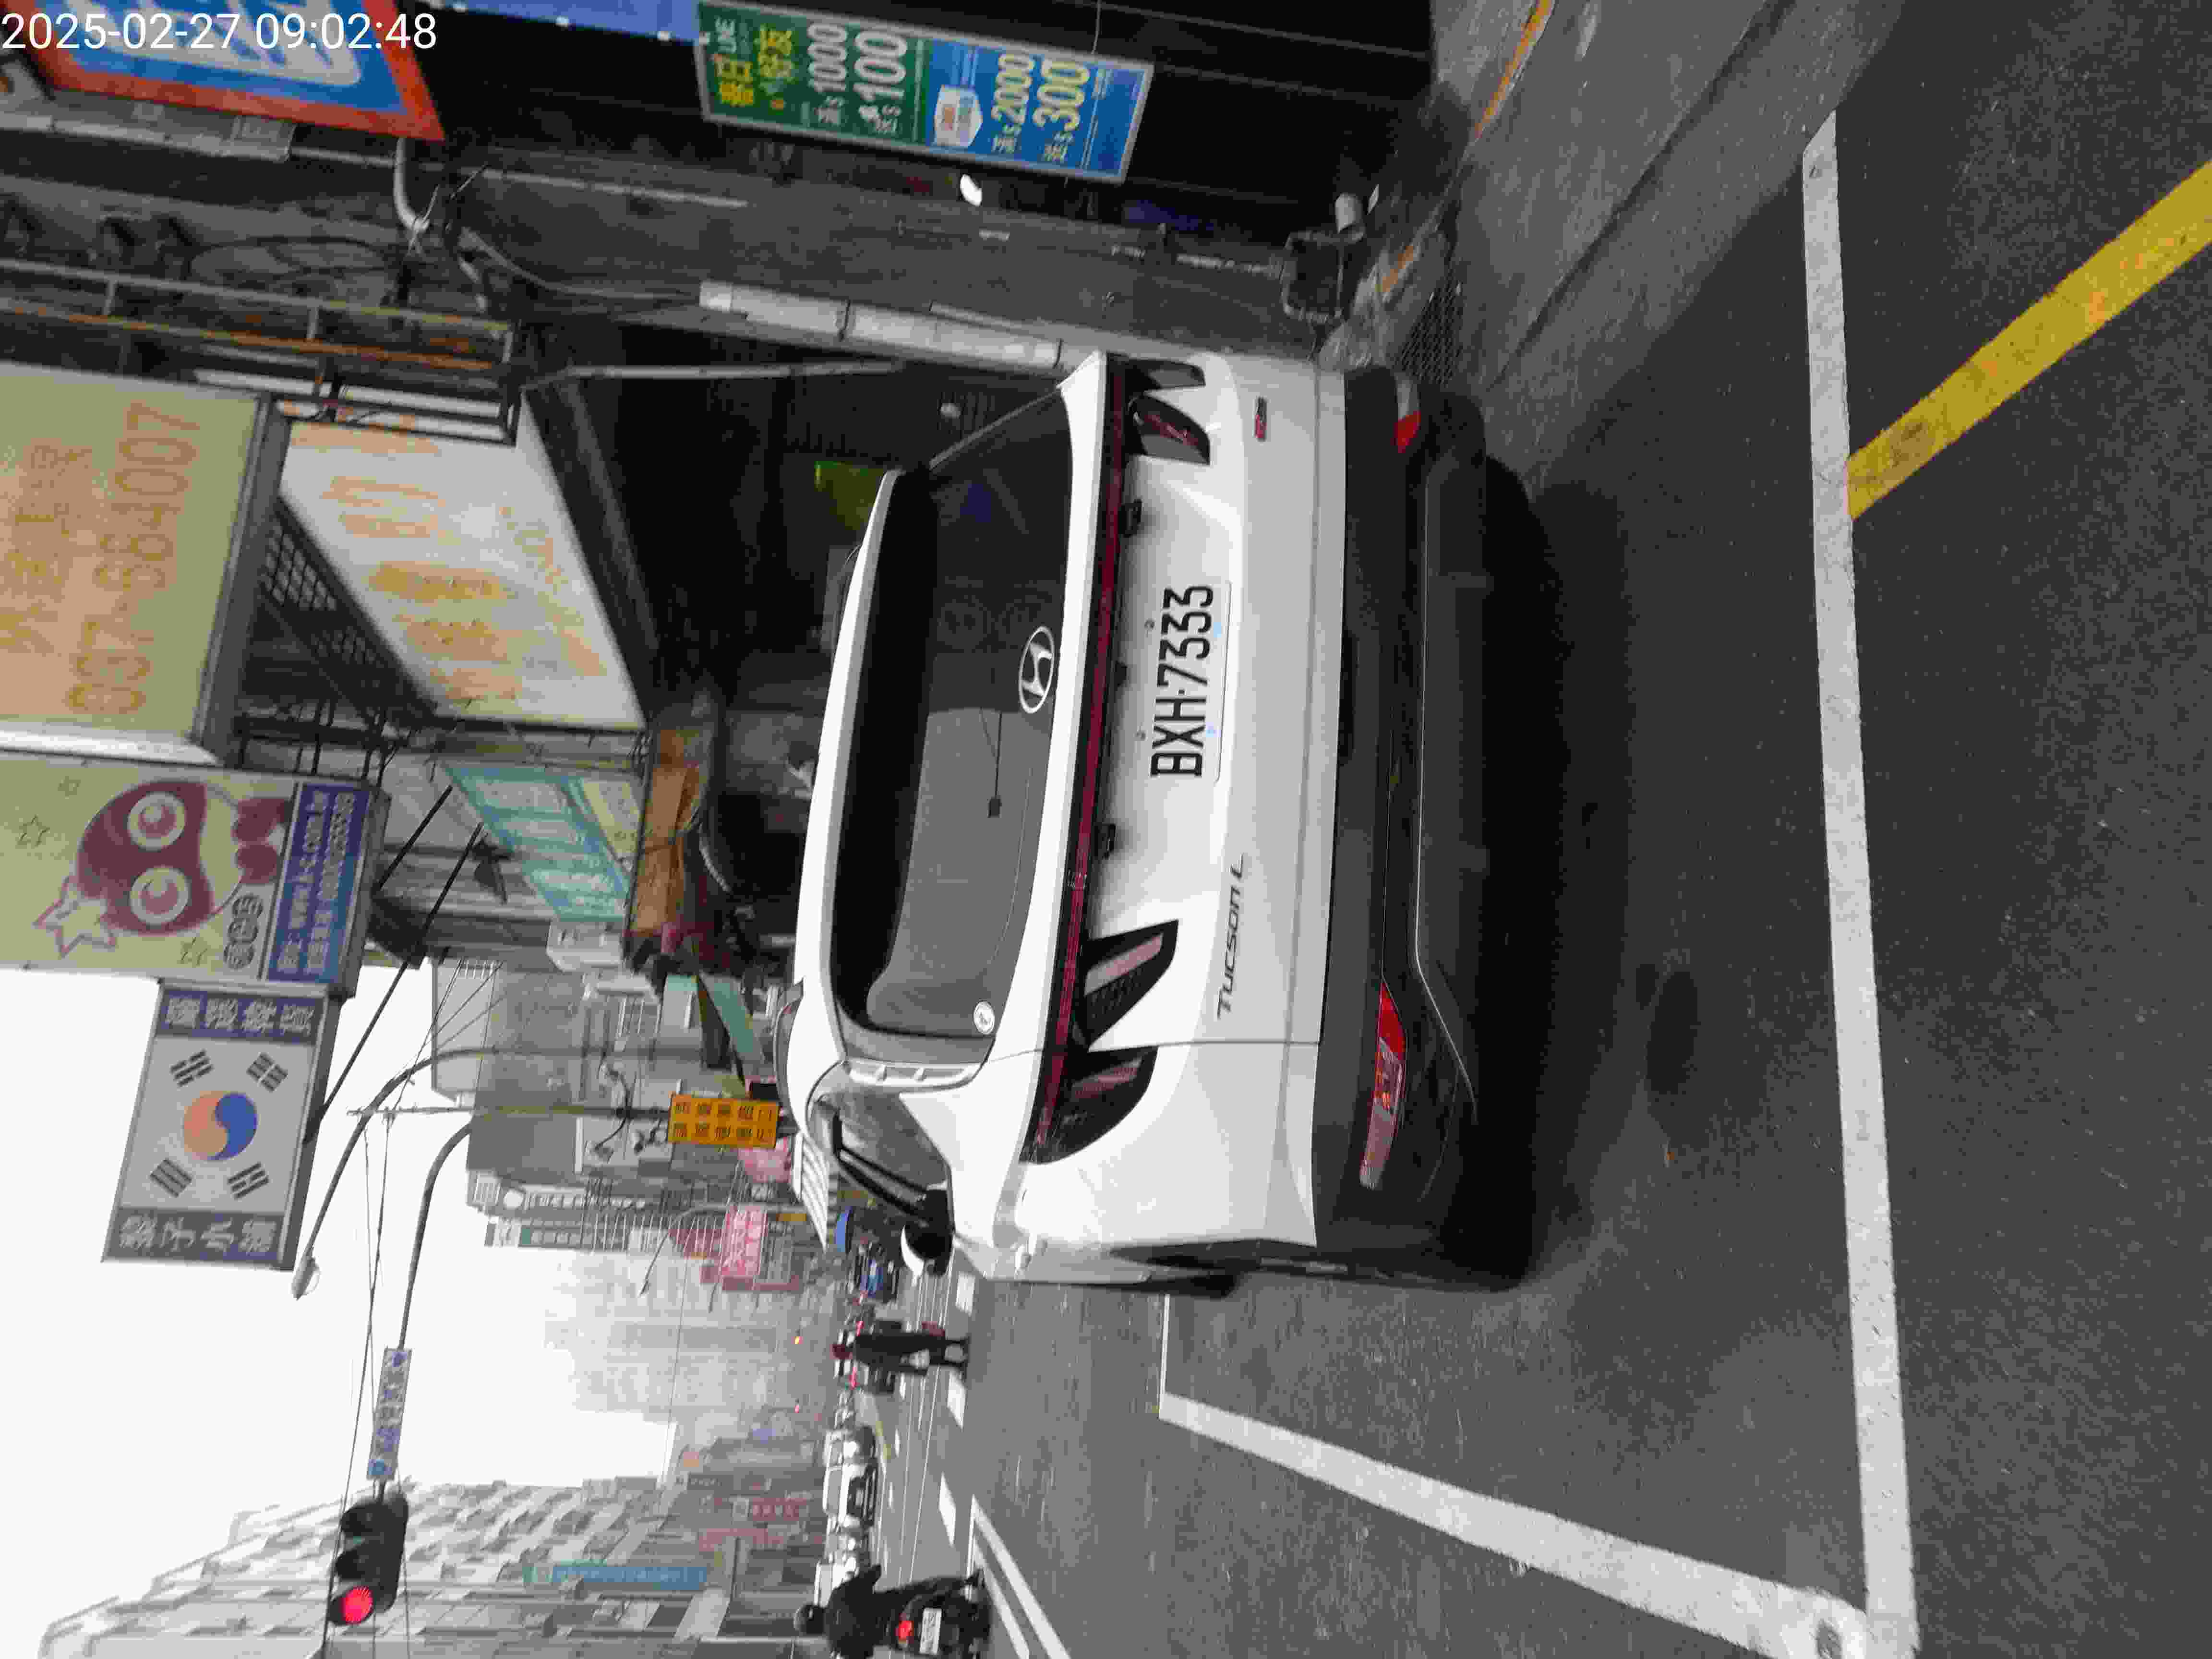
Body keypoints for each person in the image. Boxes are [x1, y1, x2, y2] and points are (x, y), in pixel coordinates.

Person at [794, 1565, 982, 1658]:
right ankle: (967, 1582)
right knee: (928, 1587)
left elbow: (866, 1653)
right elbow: (874, 1574)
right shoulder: (838, 1595)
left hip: (897, 1636)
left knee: (923, 1652)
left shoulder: (837, 1645)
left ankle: (964, 1655)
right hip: (899, 1604)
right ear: (816, 1608)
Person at [832, 1324, 967, 1374]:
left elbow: (881, 1359)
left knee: (930, 1360)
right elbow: (877, 1336)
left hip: (899, 1355)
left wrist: (901, 1360)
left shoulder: (860, 1356)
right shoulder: (858, 1339)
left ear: (845, 1355)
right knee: (931, 1343)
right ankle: (960, 1343)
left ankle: (958, 1365)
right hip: (898, 1340)